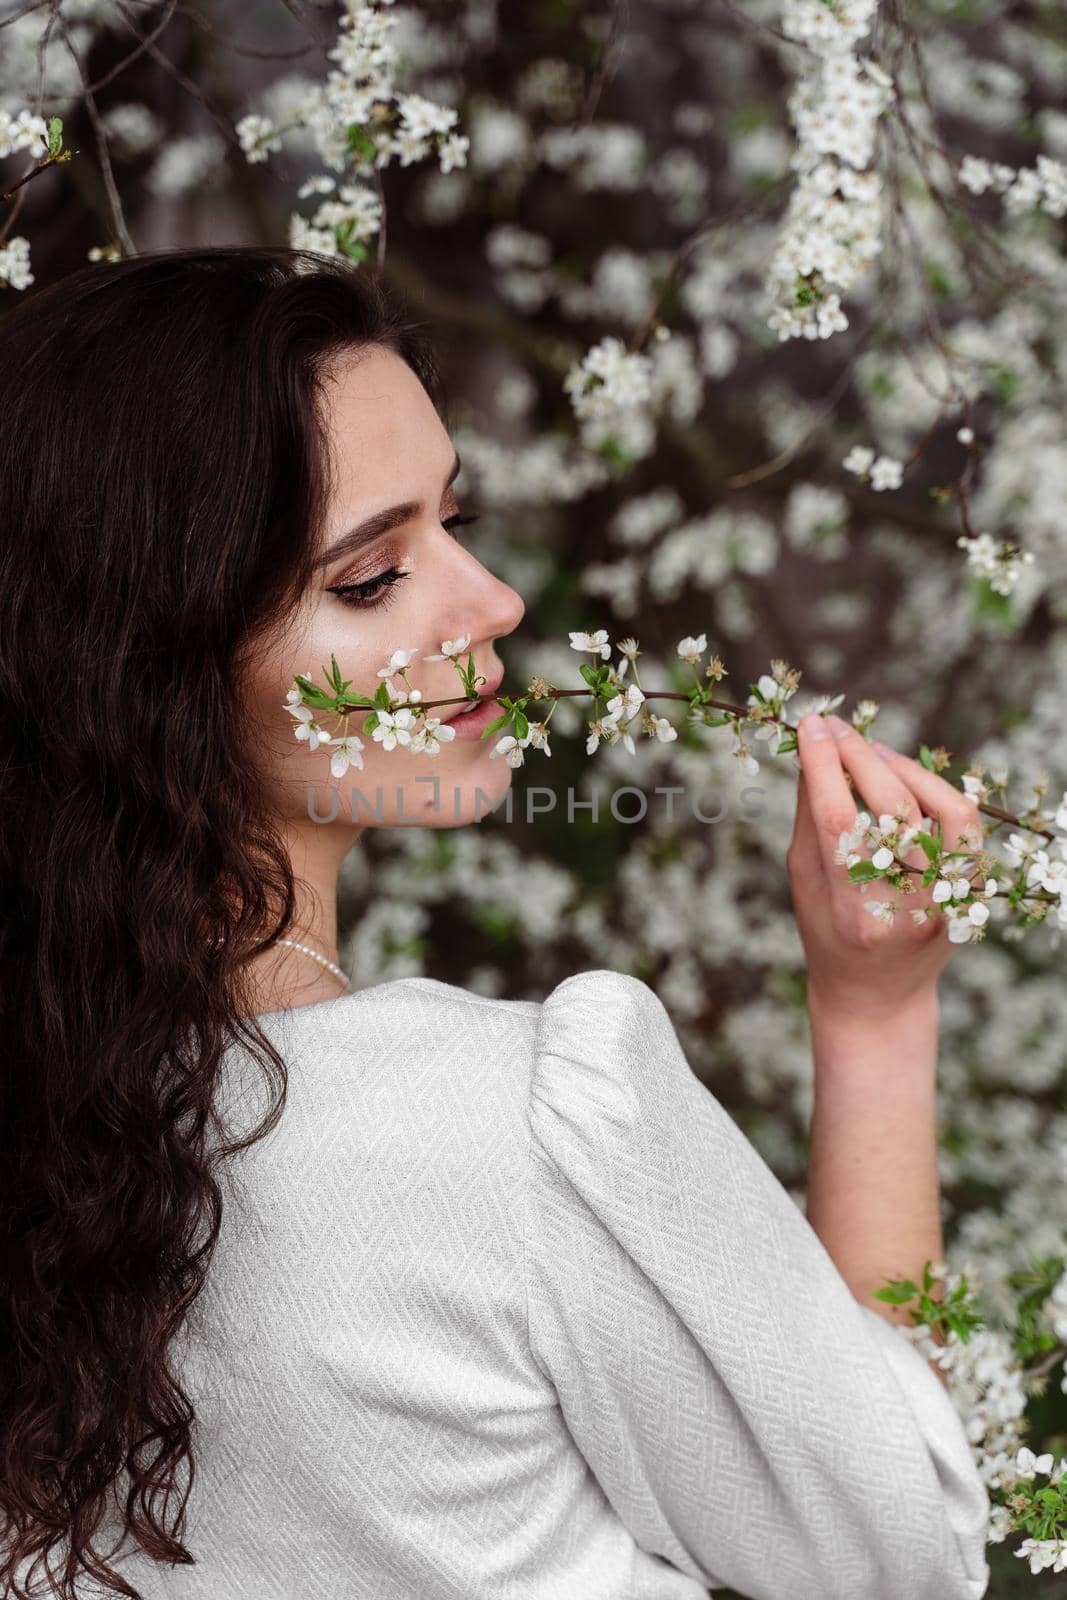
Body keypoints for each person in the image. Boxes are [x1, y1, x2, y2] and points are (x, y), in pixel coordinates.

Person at [0, 246, 990, 1599]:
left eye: (454, 526)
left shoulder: (52, 1140)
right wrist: (877, 1019)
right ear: (147, 673)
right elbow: (908, 1551)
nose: (495, 606)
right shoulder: (513, 1126)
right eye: (368, 578)